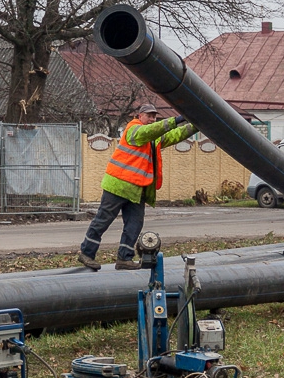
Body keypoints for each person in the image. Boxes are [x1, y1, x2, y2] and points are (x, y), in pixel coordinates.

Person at [78, 104, 198, 270]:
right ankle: (86, 253)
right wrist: (177, 119)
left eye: (154, 116)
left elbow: (174, 135)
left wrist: (195, 126)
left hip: (136, 189)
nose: (152, 119)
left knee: (134, 225)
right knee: (103, 220)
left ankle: (124, 259)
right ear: (139, 116)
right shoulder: (134, 130)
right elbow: (151, 131)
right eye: (149, 115)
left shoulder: (152, 137)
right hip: (118, 185)